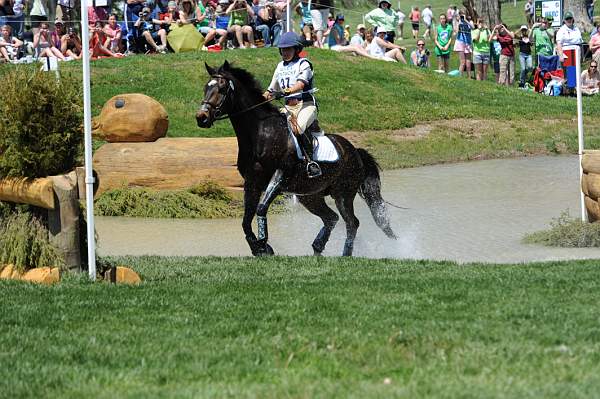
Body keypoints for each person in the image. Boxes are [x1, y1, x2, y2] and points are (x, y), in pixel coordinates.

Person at [263, 32, 322, 178]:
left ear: (296, 49)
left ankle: (311, 163)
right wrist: (259, 99)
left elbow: (301, 84)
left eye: (288, 49)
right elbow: (271, 90)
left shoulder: (304, 64)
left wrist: (285, 91)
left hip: (305, 105)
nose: (285, 52)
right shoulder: (279, 66)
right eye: (283, 49)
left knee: (298, 129)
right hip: (288, 107)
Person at [454, 11, 473, 77]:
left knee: (468, 62)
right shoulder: (457, 22)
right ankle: (460, 76)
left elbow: (473, 27)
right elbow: (456, 32)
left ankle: (469, 77)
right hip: (460, 42)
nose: (462, 16)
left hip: (468, 42)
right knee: (462, 62)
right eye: (461, 14)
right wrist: (459, 22)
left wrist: (465, 20)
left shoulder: (470, 21)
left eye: (464, 14)